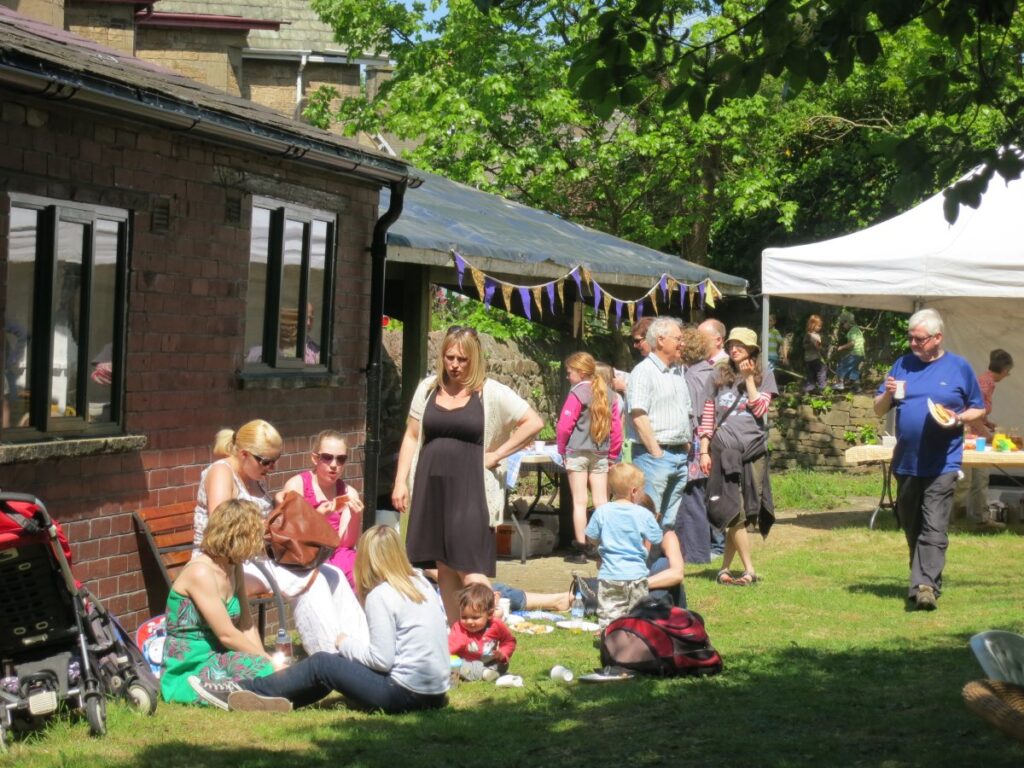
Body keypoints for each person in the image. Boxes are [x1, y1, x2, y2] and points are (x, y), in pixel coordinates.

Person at [190, 525, 450, 714]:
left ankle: (240, 690)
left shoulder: (381, 595)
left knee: (323, 663)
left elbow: (382, 660)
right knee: (331, 668)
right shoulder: (420, 581)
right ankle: (273, 698)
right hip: (436, 695)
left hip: (403, 695)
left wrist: (344, 643)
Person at [392, 326, 543, 624]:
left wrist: (497, 455)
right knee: (444, 566)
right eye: (449, 357)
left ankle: (490, 631)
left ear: (474, 359)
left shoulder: (491, 392)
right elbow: (411, 435)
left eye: (462, 359)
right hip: (431, 485)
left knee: (470, 563)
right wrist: (400, 481)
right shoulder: (427, 389)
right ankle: (456, 636)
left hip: (471, 488)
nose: (455, 365)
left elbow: (533, 422)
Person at [193, 420, 367, 654]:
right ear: (244, 454)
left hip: (258, 559)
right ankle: (328, 657)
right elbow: (223, 529)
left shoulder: (255, 477)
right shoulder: (221, 473)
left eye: (276, 460)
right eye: (266, 461)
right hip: (225, 564)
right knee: (310, 580)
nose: (272, 468)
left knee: (333, 573)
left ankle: (361, 648)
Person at [873, 308, 985, 610]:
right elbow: (879, 409)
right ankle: (922, 575)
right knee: (912, 524)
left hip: (943, 463)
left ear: (937, 338)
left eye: (919, 339)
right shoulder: (902, 364)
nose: (912, 343)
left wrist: (959, 418)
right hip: (907, 462)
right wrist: (888, 394)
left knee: (934, 525)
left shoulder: (959, 368)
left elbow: (979, 409)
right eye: (910, 338)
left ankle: (925, 587)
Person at [162, 499, 279, 705]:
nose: (260, 543)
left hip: (220, 658)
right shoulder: (200, 572)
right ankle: (230, 694)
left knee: (266, 671)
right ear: (238, 536)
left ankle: (251, 693)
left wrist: (263, 659)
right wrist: (268, 662)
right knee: (266, 669)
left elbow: (246, 624)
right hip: (191, 668)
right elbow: (227, 635)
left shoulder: (234, 567)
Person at [698, 328, 778, 587]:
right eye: (732, 344)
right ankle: (749, 570)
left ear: (752, 349)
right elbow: (708, 412)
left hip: (753, 448)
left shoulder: (765, 373)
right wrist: (703, 448)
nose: (734, 349)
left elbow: (761, 408)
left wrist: (749, 379)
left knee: (743, 509)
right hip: (724, 448)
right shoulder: (719, 373)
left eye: (740, 345)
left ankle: (723, 569)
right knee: (735, 509)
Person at [557, 352, 623, 564]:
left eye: (569, 373)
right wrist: (612, 454)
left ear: (581, 372)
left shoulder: (577, 393)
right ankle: (603, 546)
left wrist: (561, 449)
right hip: (601, 453)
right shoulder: (610, 394)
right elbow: (616, 430)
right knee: (601, 501)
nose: (568, 377)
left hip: (577, 451)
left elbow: (565, 425)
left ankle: (581, 549)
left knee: (579, 501)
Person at [626, 317, 692, 530]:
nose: (682, 343)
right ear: (661, 340)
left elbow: (686, 412)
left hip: (679, 456)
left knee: (668, 522)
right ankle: (642, 563)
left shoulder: (677, 373)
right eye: (678, 338)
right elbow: (638, 415)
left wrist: (685, 446)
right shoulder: (643, 372)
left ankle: (663, 564)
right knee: (648, 518)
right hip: (653, 457)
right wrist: (656, 453)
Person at [282, 429, 363, 588]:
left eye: (341, 459)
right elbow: (291, 535)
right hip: (305, 553)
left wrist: (355, 517)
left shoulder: (348, 492)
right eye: (327, 457)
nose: (334, 465)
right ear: (315, 458)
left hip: (336, 553)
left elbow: (345, 544)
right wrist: (317, 516)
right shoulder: (297, 485)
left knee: (358, 570)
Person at [585, 463, 663, 628]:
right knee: (639, 616)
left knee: (609, 615)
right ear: (634, 491)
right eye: (642, 490)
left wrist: (602, 541)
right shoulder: (643, 514)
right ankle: (638, 642)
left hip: (610, 575)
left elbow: (590, 537)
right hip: (637, 575)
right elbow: (656, 538)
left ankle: (610, 642)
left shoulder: (602, 512)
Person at [674, 325, 714, 564]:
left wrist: (688, 444)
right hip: (706, 441)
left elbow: (693, 413)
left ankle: (697, 554)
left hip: (696, 442)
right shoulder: (709, 371)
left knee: (692, 499)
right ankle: (696, 551)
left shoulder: (691, 377)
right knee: (697, 498)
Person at [966, 349, 1015, 525]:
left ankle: (976, 517)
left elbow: (978, 411)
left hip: (976, 434)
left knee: (978, 479)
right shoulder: (985, 384)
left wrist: (988, 422)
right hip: (972, 438)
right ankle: (975, 518)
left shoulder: (986, 382)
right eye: (1008, 371)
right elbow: (972, 415)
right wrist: (989, 437)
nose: (1007, 375)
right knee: (977, 479)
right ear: (1003, 370)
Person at [448, 583, 517, 682]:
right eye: (464, 617)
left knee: (503, 664)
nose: (469, 622)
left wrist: (503, 654)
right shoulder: (459, 628)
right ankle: (484, 674)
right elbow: (449, 647)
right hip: (469, 663)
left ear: (489, 614)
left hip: (490, 661)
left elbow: (509, 641)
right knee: (457, 664)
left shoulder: (496, 625)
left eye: (475, 618)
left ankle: (489, 672)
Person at [833, 311, 865, 391]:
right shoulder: (857, 330)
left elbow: (852, 343)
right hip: (861, 354)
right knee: (854, 369)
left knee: (843, 365)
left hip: (855, 353)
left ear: (848, 322)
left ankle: (840, 383)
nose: (842, 326)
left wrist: (842, 347)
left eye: (843, 324)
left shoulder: (853, 331)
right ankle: (856, 387)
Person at [803, 314, 826, 392]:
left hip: (808, 359)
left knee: (810, 375)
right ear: (813, 325)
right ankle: (821, 387)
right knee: (821, 370)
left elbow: (804, 346)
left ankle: (808, 389)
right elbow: (818, 346)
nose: (820, 327)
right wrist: (823, 352)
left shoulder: (807, 335)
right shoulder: (814, 336)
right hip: (815, 358)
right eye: (818, 326)